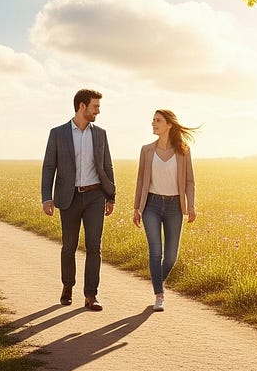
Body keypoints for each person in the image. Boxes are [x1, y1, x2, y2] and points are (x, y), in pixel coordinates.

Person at [41, 89, 115, 311]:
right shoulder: (58, 133)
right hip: (69, 197)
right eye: (95, 106)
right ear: (82, 106)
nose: (98, 111)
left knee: (94, 246)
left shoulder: (100, 134)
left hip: (95, 196)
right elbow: (49, 166)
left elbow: (107, 165)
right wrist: (47, 198)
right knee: (69, 246)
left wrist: (110, 196)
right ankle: (67, 286)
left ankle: (91, 295)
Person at [131, 109, 197, 311]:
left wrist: (191, 205)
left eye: (158, 120)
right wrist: (136, 208)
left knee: (171, 256)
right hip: (151, 205)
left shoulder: (183, 151)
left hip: (174, 207)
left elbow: (189, 181)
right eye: (153, 120)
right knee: (155, 251)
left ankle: (158, 280)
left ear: (169, 124)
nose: (153, 123)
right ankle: (159, 295)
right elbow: (140, 180)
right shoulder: (146, 150)